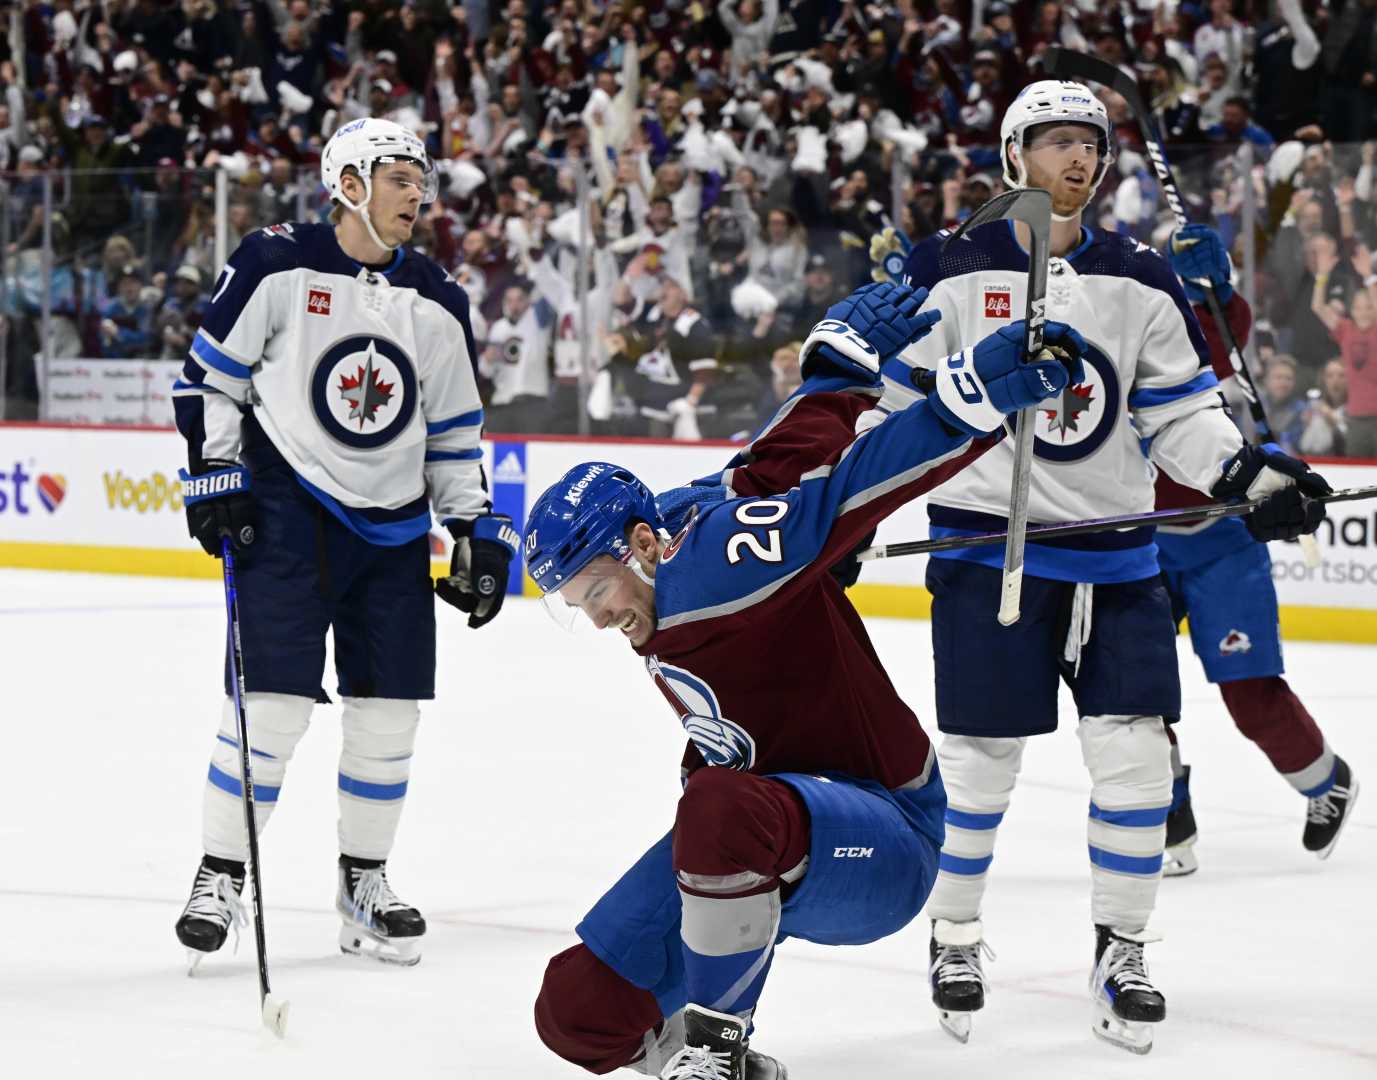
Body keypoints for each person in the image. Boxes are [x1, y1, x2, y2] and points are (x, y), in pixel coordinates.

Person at [524, 281, 1087, 1080]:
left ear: (643, 544)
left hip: (884, 835)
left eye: (596, 592)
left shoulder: (712, 571)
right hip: (765, 830)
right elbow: (766, 473)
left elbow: (843, 494)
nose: (596, 618)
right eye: (576, 604)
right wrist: (836, 373)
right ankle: (709, 1052)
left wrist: (967, 403)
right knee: (576, 1010)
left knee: (716, 804)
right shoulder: (680, 528)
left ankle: (716, 1054)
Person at [879, 80, 1331, 1053]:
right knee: (981, 766)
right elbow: (890, 410)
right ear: (1013, 156)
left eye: (1090, 144)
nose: (1078, 160)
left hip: (1121, 564)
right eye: (1055, 143)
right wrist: (842, 516)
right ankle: (954, 934)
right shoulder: (949, 268)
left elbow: (1182, 417)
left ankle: (1121, 951)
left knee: (1134, 761)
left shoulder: (1140, 277)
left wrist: (1249, 476)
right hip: (989, 555)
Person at [170, 118, 518, 969]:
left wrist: (471, 525)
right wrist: (216, 474)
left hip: (394, 529)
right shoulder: (275, 262)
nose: (417, 194)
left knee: (388, 715)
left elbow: (454, 430)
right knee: (271, 707)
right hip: (286, 510)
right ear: (350, 182)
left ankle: (363, 884)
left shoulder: (437, 296)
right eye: (399, 176)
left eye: (420, 179)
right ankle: (222, 875)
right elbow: (207, 379)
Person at [1156, 224, 1359, 876]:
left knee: (1249, 694)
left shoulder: (1176, 334)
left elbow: (1220, 332)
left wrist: (1214, 290)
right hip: (1137, 544)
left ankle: (1324, 779)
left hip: (1220, 538)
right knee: (1127, 695)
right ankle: (1164, 812)